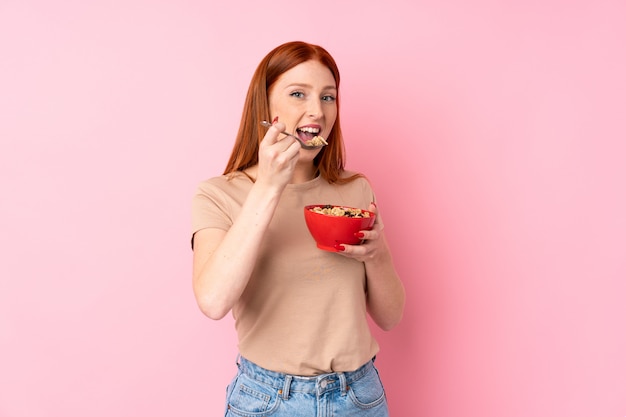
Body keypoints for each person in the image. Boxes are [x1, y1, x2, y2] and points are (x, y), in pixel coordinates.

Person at [191, 41, 405, 417]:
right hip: (268, 400)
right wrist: (270, 187)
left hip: (359, 397)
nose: (316, 111)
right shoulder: (219, 195)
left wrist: (378, 252)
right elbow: (213, 301)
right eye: (297, 94)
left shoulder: (355, 190)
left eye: (328, 97)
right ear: (266, 106)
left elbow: (390, 316)